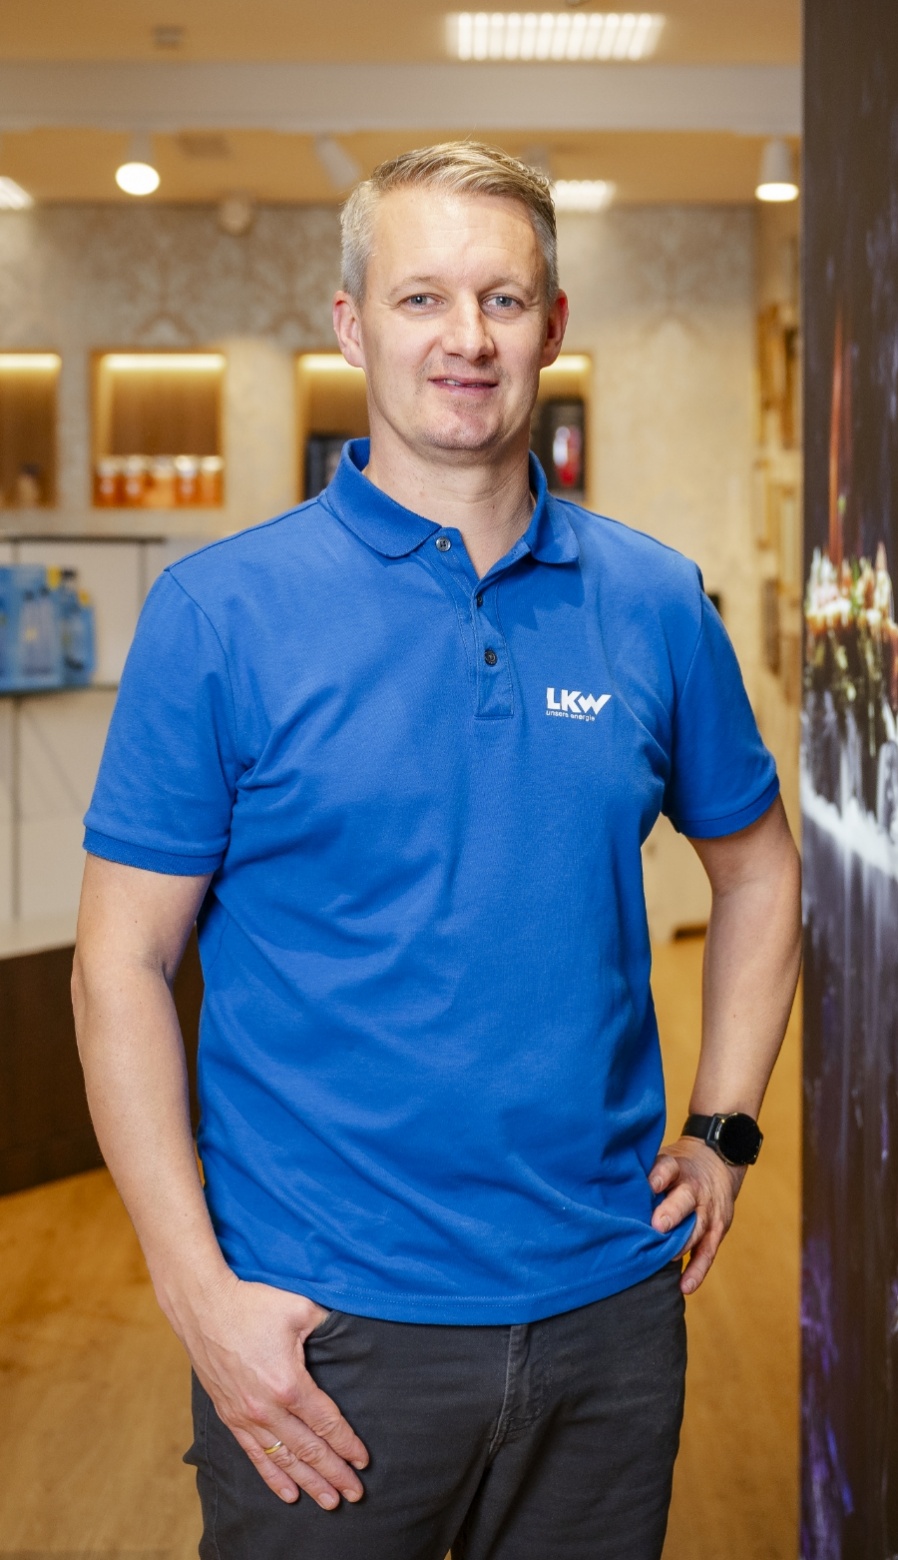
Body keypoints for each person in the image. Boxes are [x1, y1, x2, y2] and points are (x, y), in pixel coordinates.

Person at [73, 142, 802, 1560]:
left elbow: (761, 869)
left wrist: (723, 1126)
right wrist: (197, 1296)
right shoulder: (221, 615)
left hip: (608, 1315)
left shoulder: (655, 602)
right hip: (327, 1333)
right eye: (421, 299)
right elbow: (120, 967)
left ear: (552, 324)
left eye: (502, 299)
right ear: (352, 326)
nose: (465, 338)